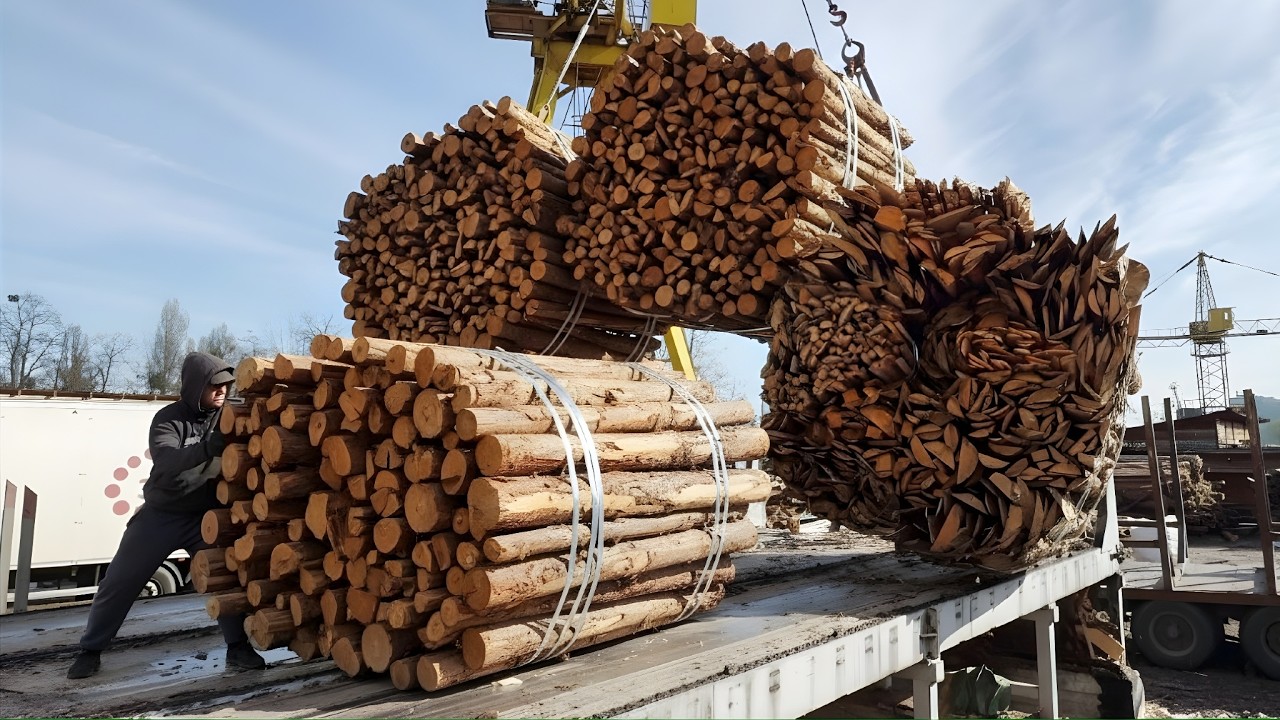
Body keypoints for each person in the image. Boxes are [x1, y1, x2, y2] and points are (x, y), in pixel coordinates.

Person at [67, 351, 266, 679]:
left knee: (223, 579)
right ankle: (90, 649)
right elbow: (167, 459)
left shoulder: (229, 415)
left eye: (226, 386)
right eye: (214, 386)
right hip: (160, 515)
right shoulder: (168, 419)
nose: (222, 392)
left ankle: (238, 647)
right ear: (194, 387)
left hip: (205, 518)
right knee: (119, 580)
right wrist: (207, 448)